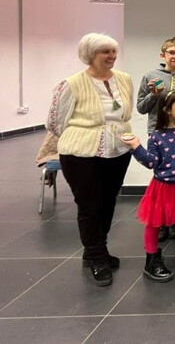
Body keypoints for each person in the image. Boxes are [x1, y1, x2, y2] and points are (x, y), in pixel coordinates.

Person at [46, 33, 133, 287]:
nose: (111, 56)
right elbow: (54, 121)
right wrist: (85, 134)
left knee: (107, 202)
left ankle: (98, 248)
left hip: (118, 150)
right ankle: (96, 256)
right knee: (88, 204)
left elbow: (125, 112)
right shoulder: (72, 83)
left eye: (114, 51)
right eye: (105, 52)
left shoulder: (124, 79)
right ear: (90, 54)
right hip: (80, 153)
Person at [122, 90, 175, 283]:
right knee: (154, 221)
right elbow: (151, 162)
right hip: (164, 186)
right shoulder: (156, 137)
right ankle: (151, 260)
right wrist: (136, 146)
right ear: (167, 109)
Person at [137, 37, 175, 241]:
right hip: (158, 131)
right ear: (163, 55)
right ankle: (160, 221)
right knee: (161, 179)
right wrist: (154, 94)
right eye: (171, 52)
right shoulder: (150, 76)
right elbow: (141, 108)